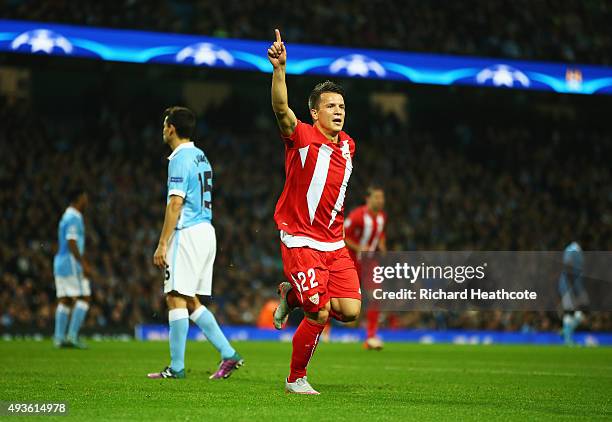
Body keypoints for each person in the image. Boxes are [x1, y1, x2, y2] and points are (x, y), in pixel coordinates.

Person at [268, 29, 361, 395]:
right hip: (300, 239)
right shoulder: (301, 136)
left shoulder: (350, 146)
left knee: (350, 311)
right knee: (319, 313)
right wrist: (280, 70)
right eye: (330, 106)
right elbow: (280, 110)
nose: (338, 111)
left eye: (341, 106)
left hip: (334, 244)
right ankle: (296, 379)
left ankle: (291, 296)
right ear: (314, 112)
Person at [147, 106, 242, 379]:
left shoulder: (179, 157)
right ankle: (228, 354)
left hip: (187, 231)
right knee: (189, 298)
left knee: (174, 296)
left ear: (172, 129)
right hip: (206, 231)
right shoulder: (201, 156)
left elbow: (175, 203)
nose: (163, 129)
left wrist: (163, 243)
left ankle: (176, 367)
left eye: (165, 125)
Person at [344, 185, 387, 350]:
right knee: (342, 297)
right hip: (352, 260)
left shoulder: (382, 217)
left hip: (370, 262)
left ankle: (371, 337)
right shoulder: (357, 216)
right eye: (377, 197)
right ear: (368, 199)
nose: (380, 200)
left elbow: (380, 234)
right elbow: (343, 234)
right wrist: (358, 248)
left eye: (381, 197)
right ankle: (325, 328)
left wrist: (382, 247)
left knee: (376, 295)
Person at [53, 188, 91, 349]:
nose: (87, 201)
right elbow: (72, 241)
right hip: (71, 263)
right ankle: (72, 336)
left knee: (66, 300)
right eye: (85, 197)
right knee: (84, 297)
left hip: (60, 262)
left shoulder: (65, 216)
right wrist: (83, 263)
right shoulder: (74, 217)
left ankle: (59, 338)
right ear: (79, 199)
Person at [558, 241, 588, 345]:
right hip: (569, 286)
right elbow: (568, 266)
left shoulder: (573, 249)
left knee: (574, 313)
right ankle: (567, 337)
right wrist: (572, 287)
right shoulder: (574, 250)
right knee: (576, 312)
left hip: (571, 285)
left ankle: (566, 334)